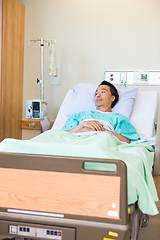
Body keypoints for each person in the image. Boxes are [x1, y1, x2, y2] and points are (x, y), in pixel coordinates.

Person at [62, 81, 140, 143]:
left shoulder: (119, 119)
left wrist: (104, 131)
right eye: (96, 93)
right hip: (76, 142)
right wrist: (82, 125)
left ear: (112, 98)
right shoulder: (80, 115)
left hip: (101, 142)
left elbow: (126, 141)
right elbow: (62, 135)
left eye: (102, 92)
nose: (98, 95)